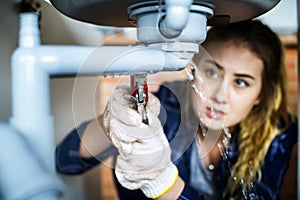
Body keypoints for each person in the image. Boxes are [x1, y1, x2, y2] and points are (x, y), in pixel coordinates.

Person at [55, 20, 297, 199]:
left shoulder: (276, 134)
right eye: (211, 72)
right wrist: (112, 124)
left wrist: (164, 183)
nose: (220, 96)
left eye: (241, 82)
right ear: (193, 70)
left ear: (260, 95)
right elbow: (65, 162)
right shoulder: (168, 105)